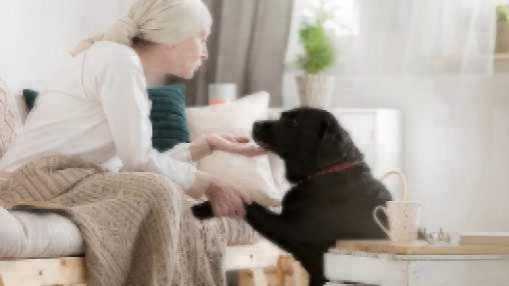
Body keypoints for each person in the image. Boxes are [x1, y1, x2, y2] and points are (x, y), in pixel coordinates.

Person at [0, 0, 266, 219]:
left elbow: (127, 165)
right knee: (156, 192)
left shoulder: (120, 62)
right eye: (202, 39)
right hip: (29, 182)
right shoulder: (117, 61)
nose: (205, 53)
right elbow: (137, 162)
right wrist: (209, 183)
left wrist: (204, 145)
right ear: (175, 38)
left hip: (56, 178)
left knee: (154, 190)